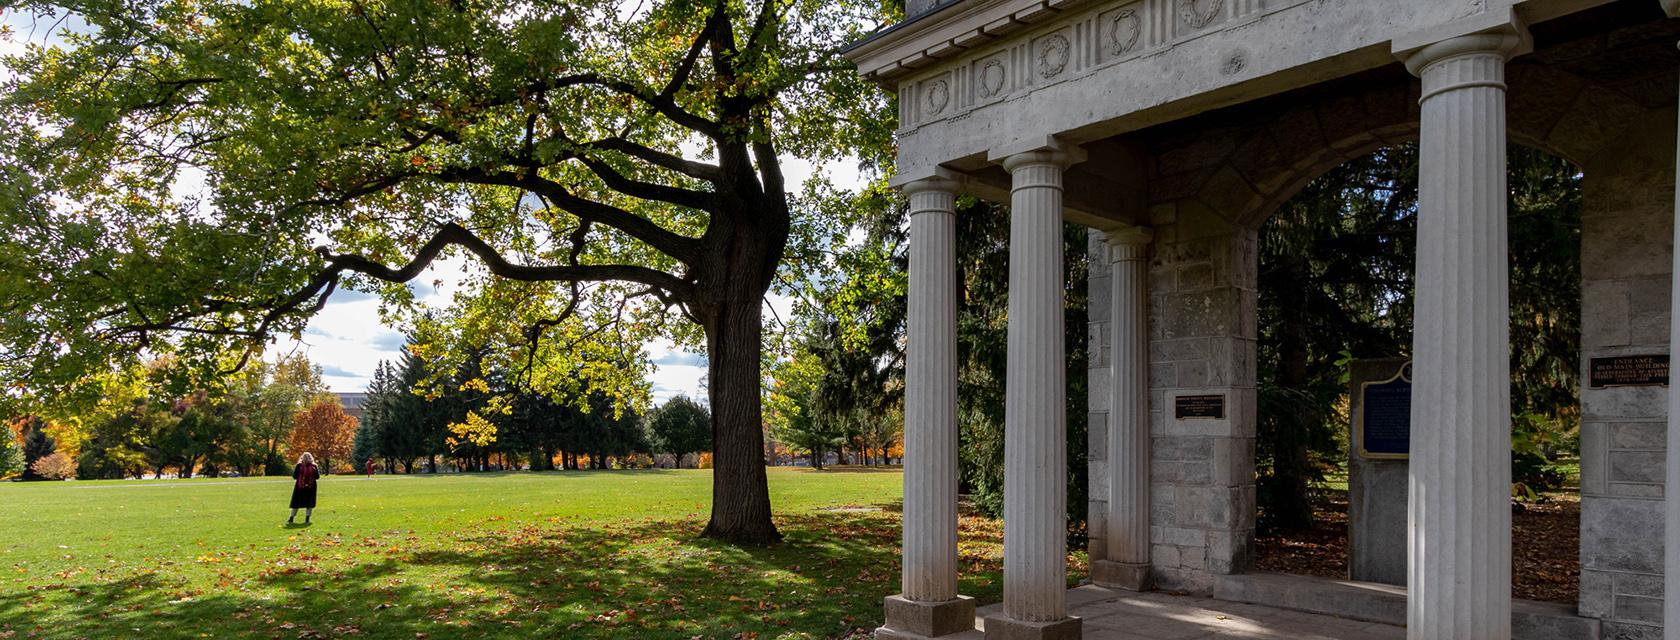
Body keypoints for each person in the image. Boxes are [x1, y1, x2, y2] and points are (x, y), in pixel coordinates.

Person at [288, 452, 319, 525]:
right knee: (309, 504)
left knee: (296, 503)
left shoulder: (299, 466)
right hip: (311, 487)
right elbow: (317, 477)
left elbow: (294, 476)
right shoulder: (314, 466)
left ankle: (291, 518)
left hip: (300, 487)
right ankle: (307, 519)